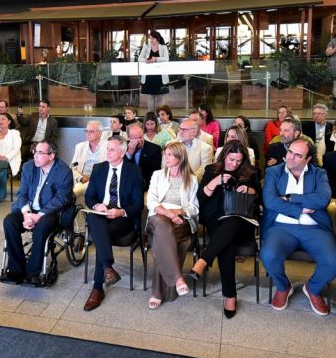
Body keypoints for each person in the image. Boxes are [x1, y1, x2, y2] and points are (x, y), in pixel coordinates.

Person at [260, 139, 336, 315]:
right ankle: (283, 287)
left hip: (315, 227)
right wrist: (300, 209)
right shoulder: (273, 172)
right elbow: (270, 202)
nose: (291, 157)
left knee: (334, 262)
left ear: (308, 158)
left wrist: (289, 198)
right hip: (281, 226)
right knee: (268, 255)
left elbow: (322, 199)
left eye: (298, 155)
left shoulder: (318, 173)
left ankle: (313, 288)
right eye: (290, 152)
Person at [188, 141, 260, 318]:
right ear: (224, 156)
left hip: (241, 219)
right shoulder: (211, 170)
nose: (234, 164)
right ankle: (230, 296)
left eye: (238, 161)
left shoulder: (250, 172)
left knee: (231, 224)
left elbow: (260, 199)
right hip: (216, 218)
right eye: (231, 159)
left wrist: (250, 190)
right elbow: (201, 198)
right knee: (225, 245)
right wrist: (214, 183)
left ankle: (204, 260)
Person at [81, 136, 143, 311]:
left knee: (100, 234)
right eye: (107, 148)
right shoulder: (99, 169)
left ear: (122, 152)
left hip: (122, 219)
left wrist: (120, 212)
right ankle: (107, 269)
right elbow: (89, 196)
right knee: (94, 218)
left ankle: (98, 288)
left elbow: (138, 204)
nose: (108, 152)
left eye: (112, 149)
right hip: (101, 214)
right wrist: (97, 205)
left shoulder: (133, 171)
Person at [0, 141, 74, 284]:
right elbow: (22, 193)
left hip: (50, 212)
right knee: (9, 221)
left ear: (51, 156)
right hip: (29, 209)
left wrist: (39, 215)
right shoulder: (28, 167)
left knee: (42, 226)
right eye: (35, 152)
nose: (35, 156)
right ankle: (16, 269)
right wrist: (27, 214)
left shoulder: (64, 171)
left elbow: (61, 198)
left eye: (40, 153)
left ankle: (32, 271)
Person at [145, 141, 200, 309]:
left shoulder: (192, 179)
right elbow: (151, 201)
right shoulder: (157, 175)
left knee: (161, 242)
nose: (165, 157)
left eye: (170, 154)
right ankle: (177, 278)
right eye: (165, 154)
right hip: (158, 215)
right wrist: (168, 213)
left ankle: (158, 292)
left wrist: (179, 212)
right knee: (162, 226)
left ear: (180, 157)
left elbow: (194, 207)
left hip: (180, 219)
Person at [71, 121, 107, 197]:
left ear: (100, 133)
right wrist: (81, 178)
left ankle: (75, 194)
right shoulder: (80, 147)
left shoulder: (108, 147)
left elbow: (110, 168)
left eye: (91, 131)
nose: (88, 134)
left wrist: (93, 178)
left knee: (80, 191)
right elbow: (72, 168)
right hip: (83, 179)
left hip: (100, 180)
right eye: (86, 131)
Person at [124, 122, 162, 190]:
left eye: (141, 137)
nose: (139, 140)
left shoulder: (155, 149)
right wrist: (129, 153)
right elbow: (122, 170)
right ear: (128, 138)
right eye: (135, 138)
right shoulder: (122, 148)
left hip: (146, 187)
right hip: (126, 186)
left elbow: (155, 174)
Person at [138, 30, 169, 110]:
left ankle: (161, 115)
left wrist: (155, 59)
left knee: (161, 97)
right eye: (150, 38)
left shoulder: (163, 47)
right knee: (150, 97)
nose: (151, 40)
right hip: (149, 76)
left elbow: (166, 58)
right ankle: (150, 115)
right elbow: (139, 59)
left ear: (157, 39)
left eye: (153, 38)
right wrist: (146, 60)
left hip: (160, 76)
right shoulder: (146, 46)